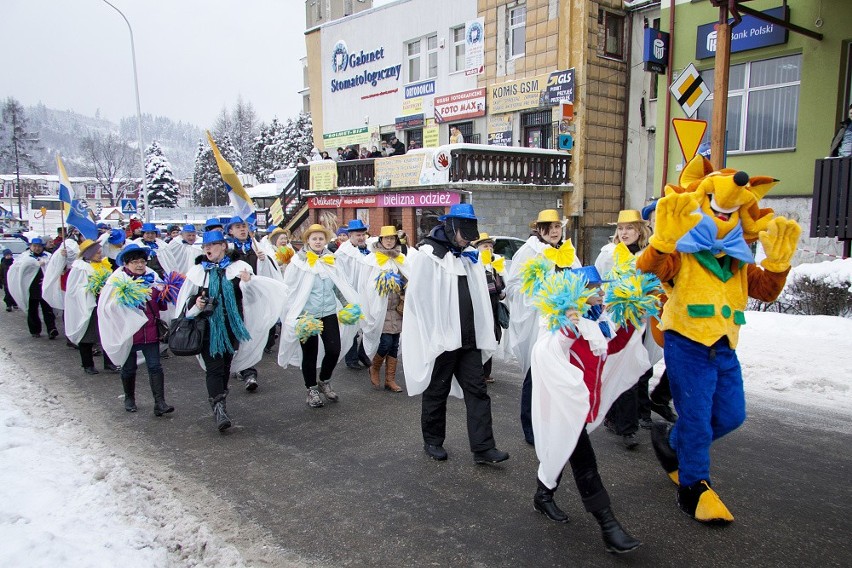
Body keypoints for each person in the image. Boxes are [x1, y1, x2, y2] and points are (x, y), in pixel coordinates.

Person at [637, 156, 800, 522]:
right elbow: (650, 269)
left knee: (731, 415)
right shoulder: (683, 251)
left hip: (725, 346)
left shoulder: (739, 258)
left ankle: (673, 444)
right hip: (688, 343)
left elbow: (765, 292)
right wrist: (662, 241)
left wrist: (777, 264)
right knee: (696, 419)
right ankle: (694, 488)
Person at [529, 266, 646, 554]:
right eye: (594, 288)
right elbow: (550, 350)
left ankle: (543, 495)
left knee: (562, 450)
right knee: (585, 463)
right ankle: (609, 527)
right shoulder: (560, 325)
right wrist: (568, 322)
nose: (601, 292)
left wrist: (632, 316)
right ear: (580, 293)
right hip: (564, 405)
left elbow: (612, 347)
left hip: (582, 403)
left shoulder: (597, 322)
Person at [401, 203, 509, 464]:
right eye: (464, 232)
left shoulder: (469, 255)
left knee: (478, 391)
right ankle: (433, 441)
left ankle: (483, 448)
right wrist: (434, 333)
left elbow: (480, 296)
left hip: (469, 338)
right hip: (443, 339)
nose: (468, 239)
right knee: (437, 391)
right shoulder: (429, 254)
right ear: (450, 227)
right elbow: (418, 299)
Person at [175, 230, 285, 431]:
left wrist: (247, 283)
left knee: (225, 365)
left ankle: (220, 399)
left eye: (212, 245)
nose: (208, 249)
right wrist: (196, 304)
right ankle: (219, 408)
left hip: (232, 326)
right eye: (205, 246)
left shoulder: (239, 267)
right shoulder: (198, 272)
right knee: (214, 367)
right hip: (207, 328)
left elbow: (251, 298)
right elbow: (185, 302)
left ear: (223, 246)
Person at [505, 209, 581, 445]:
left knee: (560, 373)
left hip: (565, 322)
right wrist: (539, 293)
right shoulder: (530, 251)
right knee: (536, 374)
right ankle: (530, 426)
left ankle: (554, 424)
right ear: (539, 229)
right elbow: (513, 286)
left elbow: (580, 280)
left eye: (557, 227)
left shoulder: (568, 251)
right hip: (540, 321)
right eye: (549, 228)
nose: (554, 232)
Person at [277, 224, 360, 408]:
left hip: (329, 312)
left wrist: (347, 304)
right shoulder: (298, 262)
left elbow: (339, 285)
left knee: (333, 350)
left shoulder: (331, 259)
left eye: (321, 238)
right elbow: (291, 289)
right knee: (310, 354)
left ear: (325, 241)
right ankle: (311, 390)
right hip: (307, 316)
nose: (317, 241)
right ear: (307, 241)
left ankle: (324, 381)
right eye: (314, 238)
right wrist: (293, 315)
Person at [593, 209, 653, 449]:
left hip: (640, 317)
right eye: (621, 228)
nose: (624, 232)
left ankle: (628, 416)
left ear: (640, 230)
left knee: (639, 365)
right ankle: (625, 424)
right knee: (619, 363)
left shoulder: (648, 255)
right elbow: (597, 282)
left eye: (630, 228)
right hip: (615, 318)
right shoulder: (609, 253)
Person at [98, 244, 174, 415]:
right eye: (135, 262)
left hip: (151, 333)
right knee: (129, 368)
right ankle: (129, 398)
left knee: (155, 367)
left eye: (142, 261)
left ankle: (160, 403)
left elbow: (160, 307)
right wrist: (125, 303)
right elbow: (107, 307)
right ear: (126, 263)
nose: (140, 265)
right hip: (129, 334)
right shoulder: (116, 282)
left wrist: (165, 296)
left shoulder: (153, 278)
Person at [226, 216, 281, 391]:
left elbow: (271, 272)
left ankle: (249, 371)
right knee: (237, 334)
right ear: (230, 231)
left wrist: (264, 260)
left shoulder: (259, 247)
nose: (242, 229)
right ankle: (240, 366)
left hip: (254, 298)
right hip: (235, 299)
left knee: (251, 332)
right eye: (238, 227)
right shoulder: (227, 250)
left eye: (245, 226)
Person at [360, 226, 408, 392]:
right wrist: (381, 283)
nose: (389, 241)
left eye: (392, 238)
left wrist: (403, 285)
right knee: (386, 342)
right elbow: (365, 284)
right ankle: (374, 367)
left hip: (397, 309)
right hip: (380, 309)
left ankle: (390, 379)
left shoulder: (400, 258)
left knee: (394, 344)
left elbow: (408, 277)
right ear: (380, 240)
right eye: (386, 238)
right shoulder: (371, 259)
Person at [64, 239, 120, 375]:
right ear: (88, 254)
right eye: (97, 253)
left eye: (100, 252)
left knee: (107, 333)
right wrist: (91, 289)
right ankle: (87, 364)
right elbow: (74, 289)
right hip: (88, 304)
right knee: (87, 335)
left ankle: (110, 362)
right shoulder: (80, 267)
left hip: (104, 304)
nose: (100, 255)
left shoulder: (104, 265)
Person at [335, 219, 373, 370]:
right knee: (352, 326)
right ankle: (351, 359)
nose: (361, 237)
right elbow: (339, 276)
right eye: (358, 235)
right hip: (350, 293)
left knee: (368, 325)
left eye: (363, 234)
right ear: (350, 235)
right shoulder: (343, 254)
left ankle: (362, 354)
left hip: (366, 294)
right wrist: (345, 297)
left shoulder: (368, 249)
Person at [6, 237, 59, 339]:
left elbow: (54, 266)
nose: (37, 248)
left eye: (39, 246)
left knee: (48, 309)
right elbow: (18, 267)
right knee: (32, 310)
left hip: (44, 287)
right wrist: (34, 264)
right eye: (34, 246)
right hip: (31, 288)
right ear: (30, 246)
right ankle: (35, 330)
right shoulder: (24, 257)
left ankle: (52, 329)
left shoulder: (48, 256)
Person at [472, 233, 506, 384]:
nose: (489, 249)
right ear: (478, 248)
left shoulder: (494, 263)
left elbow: (503, 284)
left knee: (492, 337)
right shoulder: (473, 263)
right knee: (479, 338)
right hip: (478, 306)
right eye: (485, 246)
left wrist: (502, 292)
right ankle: (476, 372)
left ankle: (486, 373)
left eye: (491, 246)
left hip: (493, 305)